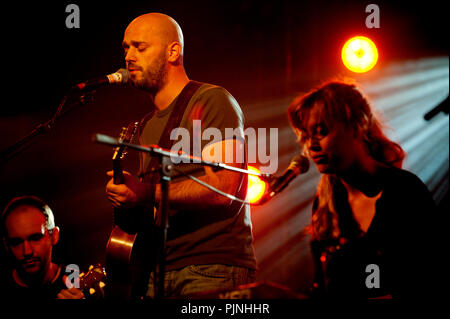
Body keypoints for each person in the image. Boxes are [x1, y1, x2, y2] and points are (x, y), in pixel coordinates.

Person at [105, 13, 256, 298]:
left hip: (210, 268)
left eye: (140, 47)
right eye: (126, 48)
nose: (129, 57)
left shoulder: (210, 100)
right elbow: (158, 205)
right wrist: (129, 197)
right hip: (158, 271)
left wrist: (146, 192)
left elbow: (224, 186)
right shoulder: (146, 125)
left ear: (173, 51)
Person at [287, 80, 437, 299]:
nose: (312, 145)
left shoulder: (405, 191)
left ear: (357, 125)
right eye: (307, 136)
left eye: (321, 132)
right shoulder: (326, 203)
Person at [0, 195, 85, 300]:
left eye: (35, 238)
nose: (27, 251)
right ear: (6, 245)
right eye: (16, 242)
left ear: (54, 236)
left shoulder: (74, 279)